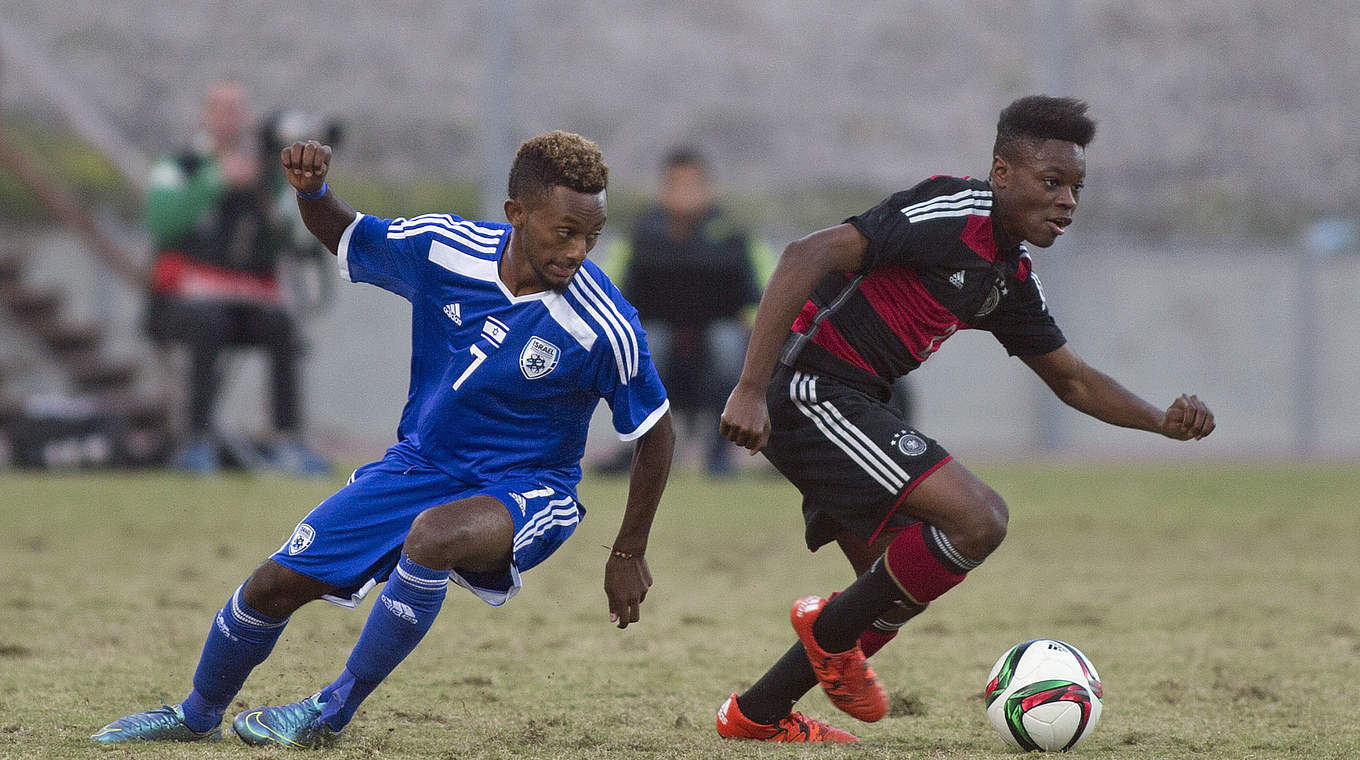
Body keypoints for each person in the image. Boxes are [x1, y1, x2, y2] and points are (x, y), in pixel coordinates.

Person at [92, 130, 675, 747]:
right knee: (272, 585)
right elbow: (344, 231)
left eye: (593, 236)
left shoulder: (604, 324)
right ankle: (195, 714)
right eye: (566, 232)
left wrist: (628, 550)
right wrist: (313, 189)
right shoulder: (447, 250)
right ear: (517, 214)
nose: (580, 251)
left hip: (528, 488)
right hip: (418, 466)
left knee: (433, 537)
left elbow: (655, 430)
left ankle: (330, 711)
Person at [713, 96, 1215, 743]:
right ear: (1002, 174)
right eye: (1052, 182)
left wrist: (1160, 420)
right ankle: (829, 632)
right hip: (810, 390)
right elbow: (804, 255)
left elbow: (1072, 379)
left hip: (859, 400)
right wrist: (750, 388)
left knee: (893, 582)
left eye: (1077, 188)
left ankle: (755, 715)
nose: (1067, 201)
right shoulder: (951, 214)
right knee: (979, 520)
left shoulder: (1009, 276)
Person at [143, 81, 328, 475]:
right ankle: (195, 441)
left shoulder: (263, 175)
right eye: (220, 109)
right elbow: (161, 221)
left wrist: (283, 186)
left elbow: (289, 233)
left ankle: (287, 439)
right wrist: (215, 182)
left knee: (281, 326)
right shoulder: (179, 166)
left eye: (237, 110)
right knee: (206, 323)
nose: (229, 120)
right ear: (205, 115)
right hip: (180, 307)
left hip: (242, 304)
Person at [601, 147, 768, 476]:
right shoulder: (640, 235)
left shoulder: (734, 234)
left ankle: (720, 455)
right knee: (650, 342)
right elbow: (612, 295)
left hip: (717, 340)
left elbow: (763, 299)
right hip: (660, 337)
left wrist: (746, 318)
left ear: (707, 187)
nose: (684, 193)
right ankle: (641, 451)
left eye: (691, 185)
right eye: (675, 184)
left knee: (727, 342)